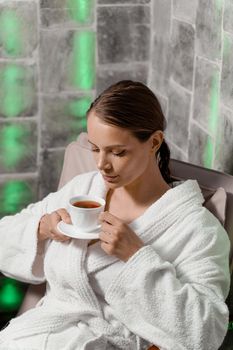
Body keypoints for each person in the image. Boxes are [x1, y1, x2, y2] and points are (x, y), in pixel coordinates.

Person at [0, 80, 231, 350]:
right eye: (95, 148)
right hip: (36, 336)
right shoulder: (84, 190)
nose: (101, 164)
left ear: (154, 142)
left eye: (117, 152)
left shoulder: (196, 228)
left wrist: (136, 258)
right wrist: (41, 229)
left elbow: (206, 331)